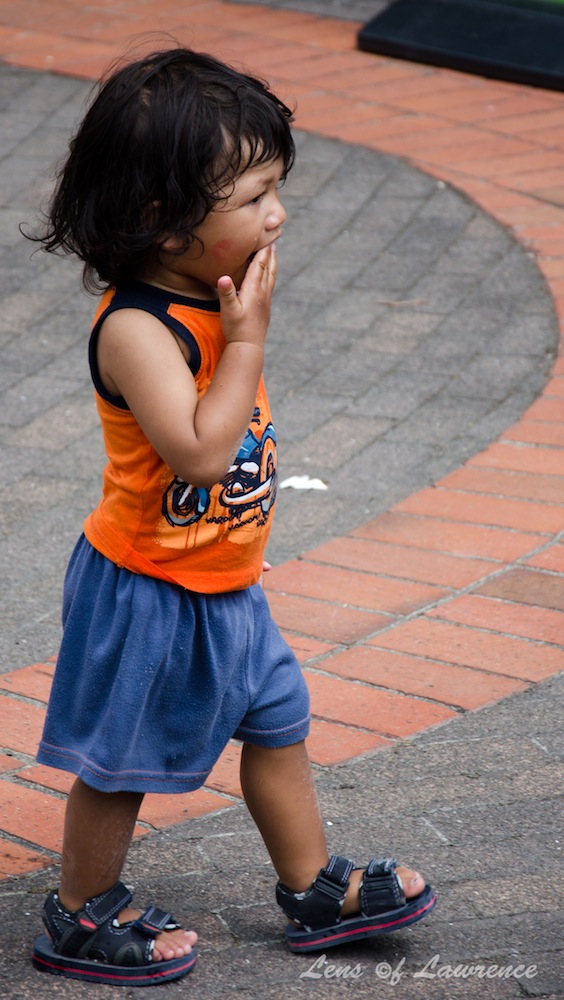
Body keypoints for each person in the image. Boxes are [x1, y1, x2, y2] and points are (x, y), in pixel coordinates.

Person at [28, 47, 436, 987]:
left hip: (223, 585)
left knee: (280, 721)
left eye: (276, 188)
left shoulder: (209, 298)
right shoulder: (138, 330)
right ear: (163, 225)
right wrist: (247, 339)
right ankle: (79, 913)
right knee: (123, 759)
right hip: (147, 593)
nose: (277, 214)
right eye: (254, 197)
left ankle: (312, 888)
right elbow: (202, 453)